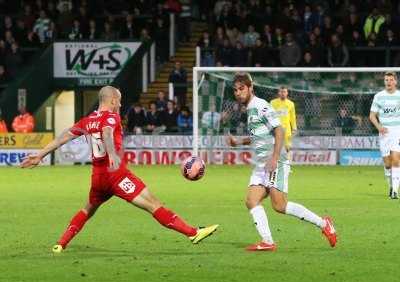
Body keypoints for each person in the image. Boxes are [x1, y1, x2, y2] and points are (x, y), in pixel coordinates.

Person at [21, 86, 218, 253]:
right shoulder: (111, 118)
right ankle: (193, 233)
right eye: (120, 101)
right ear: (113, 100)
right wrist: (113, 153)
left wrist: (40, 154)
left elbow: (64, 136)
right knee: (154, 205)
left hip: (97, 178)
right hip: (115, 175)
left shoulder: (87, 120)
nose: (121, 105)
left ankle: (60, 244)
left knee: (87, 209)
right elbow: (107, 132)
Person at [226, 73, 336, 251]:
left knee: (279, 205)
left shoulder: (260, 105)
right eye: (236, 90)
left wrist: (275, 158)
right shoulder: (250, 109)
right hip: (262, 163)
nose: (238, 93)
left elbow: (280, 131)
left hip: (274, 160)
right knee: (251, 200)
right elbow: (258, 136)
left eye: (242, 89)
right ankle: (267, 241)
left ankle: (324, 224)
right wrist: (238, 142)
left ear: (250, 88)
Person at [369, 72, 400, 199]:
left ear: (395, 82)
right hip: (384, 133)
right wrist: (379, 127)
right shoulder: (379, 96)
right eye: (386, 80)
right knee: (387, 163)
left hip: (397, 130)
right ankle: (391, 186)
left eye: (391, 80)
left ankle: (395, 192)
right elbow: (372, 116)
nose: (388, 82)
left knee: (396, 159)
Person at [270, 87, 297, 152]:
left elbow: (292, 117)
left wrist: (294, 127)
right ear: (278, 93)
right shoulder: (273, 102)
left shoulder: (291, 104)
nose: (283, 93)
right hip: (276, 128)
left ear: (287, 93)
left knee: (287, 148)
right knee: (276, 147)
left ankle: (286, 161)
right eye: (281, 92)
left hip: (287, 129)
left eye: (284, 92)